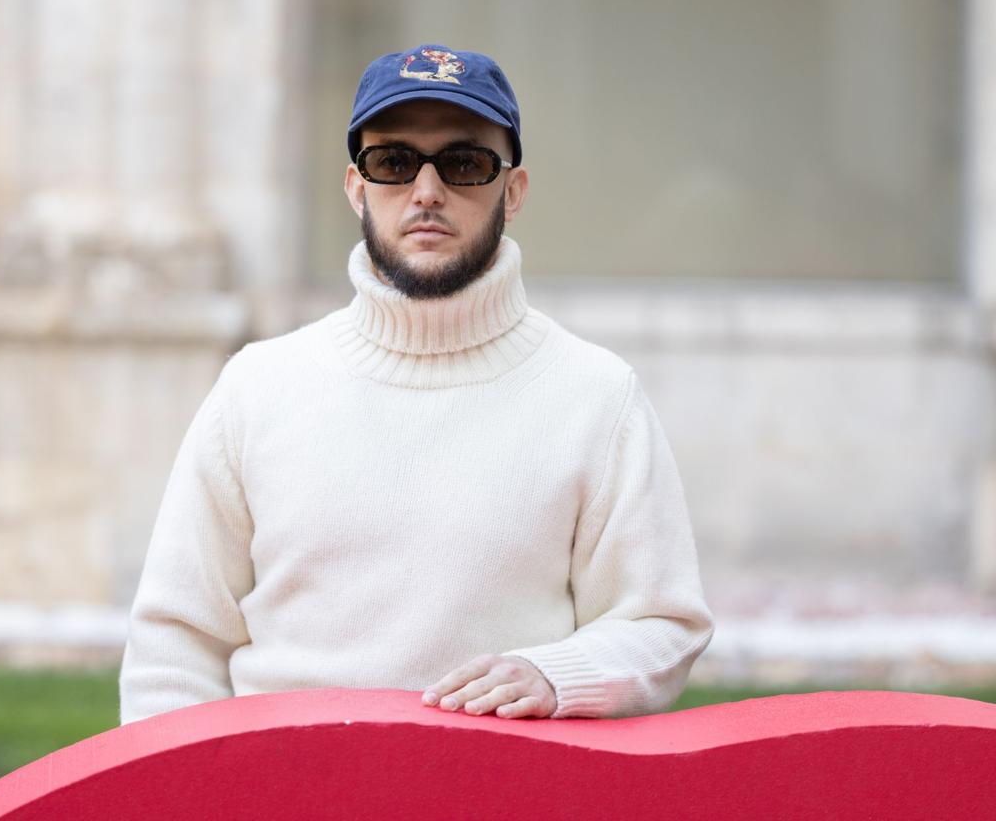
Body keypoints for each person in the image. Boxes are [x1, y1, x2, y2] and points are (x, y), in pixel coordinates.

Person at [119, 44, 714, 724]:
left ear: (511, 191)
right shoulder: (258, 387)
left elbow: (661, 621)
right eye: (394, 163)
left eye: (463, 164)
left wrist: (558, 674)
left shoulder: (598, 397)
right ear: (356, 187)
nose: (426, 192)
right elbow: (175, 640)